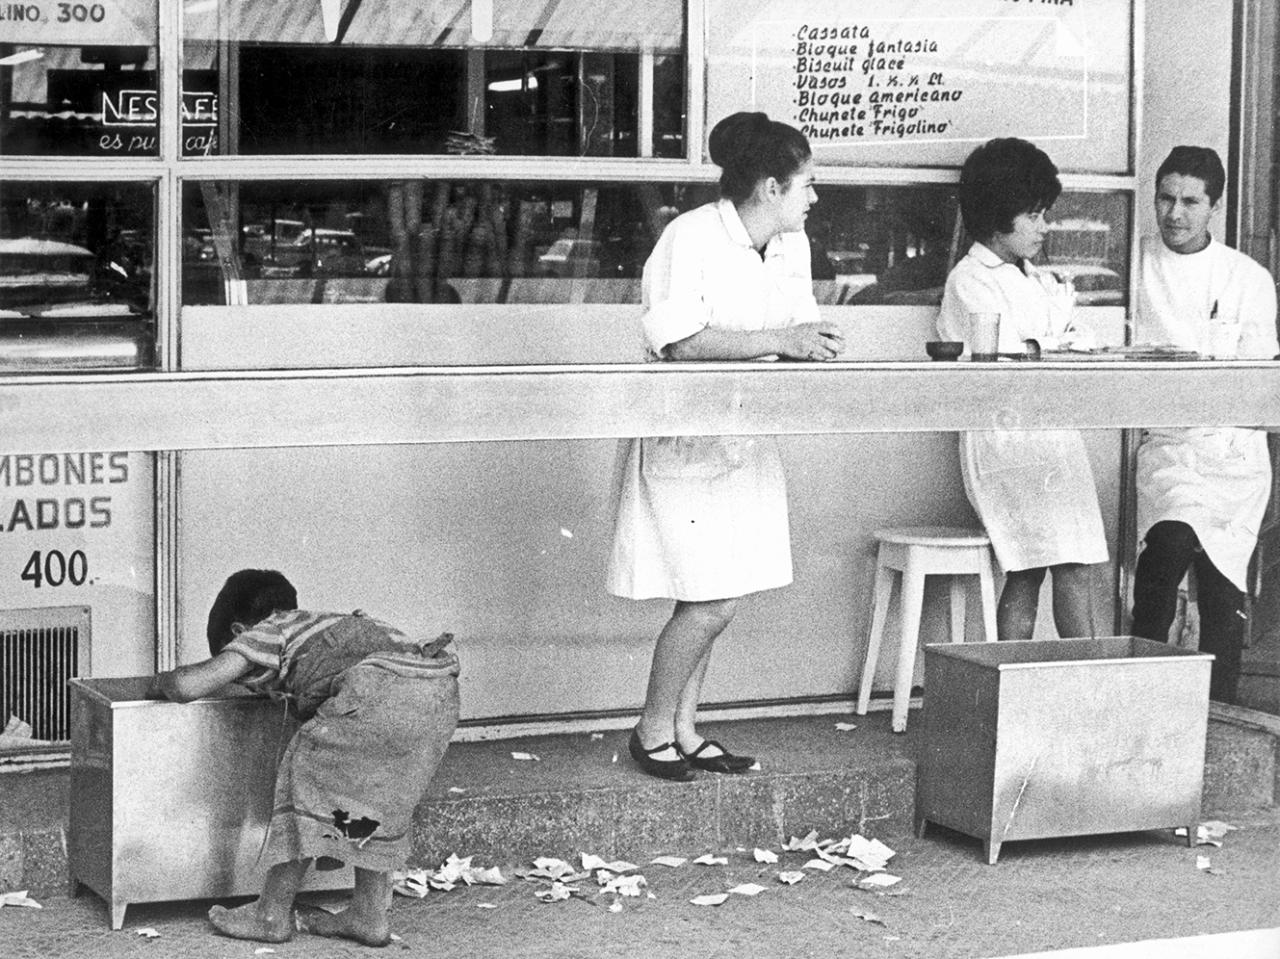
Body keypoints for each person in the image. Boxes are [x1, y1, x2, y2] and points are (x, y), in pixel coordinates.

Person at [606, 111, 845, 781]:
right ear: (770, 186)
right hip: (690, 441)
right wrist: (783, 342)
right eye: (807, 184)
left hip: (745, 438)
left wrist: (812, 342)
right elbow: (679, 338)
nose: (814, 197)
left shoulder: (790, 245)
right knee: (710, 598)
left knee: (716, 591)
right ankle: (652, 727)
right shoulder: (689, 238)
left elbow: (795, 323)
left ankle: (684, 729)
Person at [147, 569, 460, 946]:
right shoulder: (325, 626)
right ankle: (370, 915)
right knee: (377, 800)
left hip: (378, 692)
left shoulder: (268, 631)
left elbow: (188, 686)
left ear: (237, 632)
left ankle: (271, 914)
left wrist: (161, 681)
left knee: (304, 781)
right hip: (437, 690)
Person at [937, 137, 1109, 641]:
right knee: (1032, 567)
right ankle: (1019, 689)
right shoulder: (969, 280)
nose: (1045, 227)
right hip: (1006, 444)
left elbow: (1077, 339)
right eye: (1033, 215)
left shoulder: (1032, 276)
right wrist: (1052, 344)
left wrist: (1051, 343)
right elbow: (1012, 356)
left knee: (1075, 565)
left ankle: (1085, 687)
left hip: (1053, 439)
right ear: (998, 213)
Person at [1130, 146, 1279, 702]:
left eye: (1190, 201)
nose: (1175, 213)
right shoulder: (1134, 262)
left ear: (1213, 206)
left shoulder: (1247, 278)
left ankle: (1219, 717)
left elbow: (1256, 380)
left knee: (1221, 593)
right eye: (1165, 198)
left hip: (1230, 454)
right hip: (1167, 446)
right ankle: (1143, 700)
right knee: (1162, 561)